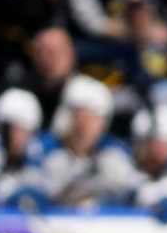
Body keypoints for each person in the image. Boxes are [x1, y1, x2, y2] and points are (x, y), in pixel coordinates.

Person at [39, 74, 139, 207]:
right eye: (79, 116)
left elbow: (135, 188)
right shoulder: (46, 154)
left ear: (103, 122)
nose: (84, 126)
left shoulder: (113, 156)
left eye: (92, 118)